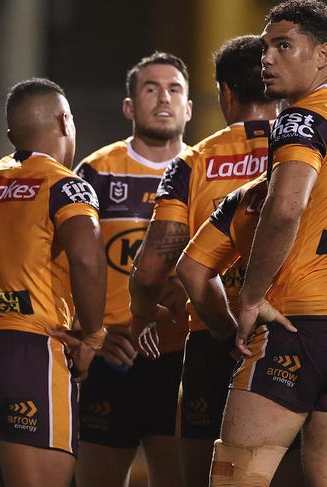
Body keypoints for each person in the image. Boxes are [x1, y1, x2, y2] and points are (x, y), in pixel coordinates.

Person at [185, 2, 327, 485]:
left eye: (284, 46)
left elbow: (285, 209)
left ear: (324, 54)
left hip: (301, 323)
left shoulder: (304, 118)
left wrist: (252, 297)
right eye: (265, 47)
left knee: (235, 475)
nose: (267, 58)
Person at [0, 78, 106, 487]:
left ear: (12, 135)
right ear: (65, 122)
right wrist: (94, 336)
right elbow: (86, 257)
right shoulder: (66, 186)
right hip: (34, 355)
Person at [128, 35, 278, 484]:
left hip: (212, 337)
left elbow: (154, 266)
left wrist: (141, 313)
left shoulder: (193, 162)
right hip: (288, 331)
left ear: (225, 93)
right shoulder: (305, 150)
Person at [73, 51, 192, 487]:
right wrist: (95, 335)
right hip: (114, 356)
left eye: (174, 89)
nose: (164, 97)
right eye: (150, 88)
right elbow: (67, 263)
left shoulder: (205, 169)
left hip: (181, 356)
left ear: (189, 107)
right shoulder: (95, 172)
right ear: (129, 106)